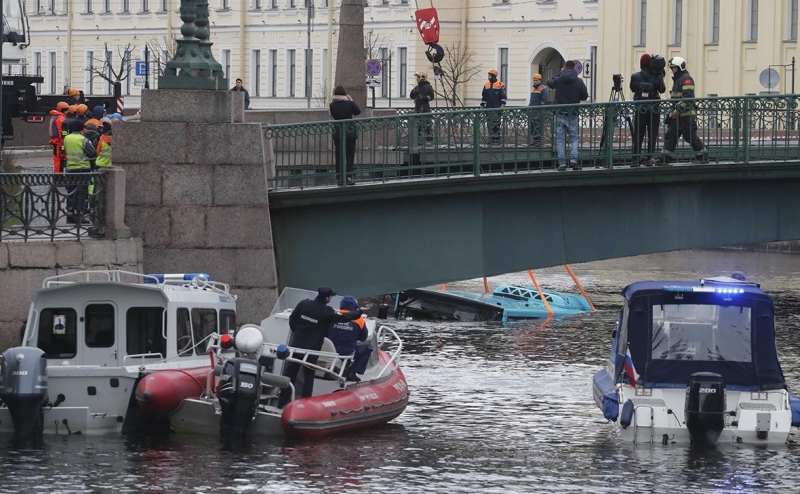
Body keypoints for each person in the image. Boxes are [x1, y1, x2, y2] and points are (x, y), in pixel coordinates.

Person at [277, 286, 364, 408]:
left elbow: (292, 320)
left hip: (296, 347)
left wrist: (298, 334)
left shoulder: (303, 304)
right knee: (308, 377)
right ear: (327, 297)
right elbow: (345, 318)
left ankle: (281, 402)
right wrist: (359, 312)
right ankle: (305, 405)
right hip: (311, 350)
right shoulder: (326, 312)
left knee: (290, 374)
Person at [653, 56, 708, 165]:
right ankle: (664, 159)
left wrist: (677, 109)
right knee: (671, 136)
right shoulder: (679, 80)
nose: (673, 70)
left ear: (680, 67)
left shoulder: (686, 79)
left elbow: (688, 98)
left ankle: (703, 157)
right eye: (672, 68)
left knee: (690, 136)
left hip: (686, 115)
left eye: (674, 68)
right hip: (678, 115)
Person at [547, 60, 589, 171]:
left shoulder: (559, 79)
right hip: (573, 114)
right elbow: (584, 96)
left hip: (560, 113)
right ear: (575, 68)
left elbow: (549, 83)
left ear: (564, 67)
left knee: (560, 139)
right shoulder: (579, 81)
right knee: (574, 138)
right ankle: (574, 160)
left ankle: (562, 164)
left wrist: (559, 73)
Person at [629, 54, 666, 165]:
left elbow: (632, 88)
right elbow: (662, 89)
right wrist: (660, 75)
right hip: (654, 110)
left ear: (641, 64)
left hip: (640, 109)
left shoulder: (635, 76)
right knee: (652, 134)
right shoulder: (656, 76)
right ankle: (649, 157)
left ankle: (635, 158)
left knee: (639, 134)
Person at [327, 296, 372, 382]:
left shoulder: (333, 316)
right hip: (346, 352)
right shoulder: (359, 319)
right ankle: (352, 372)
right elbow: (363, 338)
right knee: (367, 348)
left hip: (329, 350)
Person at [62, 120, 97, 224]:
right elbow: (92, 152)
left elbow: (64, 151)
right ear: (82, 129)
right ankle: (80, 214)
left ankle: (70, 214)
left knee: (71, 191)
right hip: (82, 168)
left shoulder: (67, 138)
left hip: (70, 168)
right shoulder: (83, 139)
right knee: (82, 192)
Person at [329, 85, 361, 185]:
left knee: (339, 155)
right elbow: (357, 111)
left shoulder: (332, 105)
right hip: (349, 132)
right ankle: (348, 177)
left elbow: (334, 116)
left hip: (338, 132)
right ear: (345, 94)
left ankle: (339, 178)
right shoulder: (349, 104)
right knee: (349, 155)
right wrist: (351, 101)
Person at [480, 69, 507, 144]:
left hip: (497, 108)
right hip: (489, 108)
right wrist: (482, 105)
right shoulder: (486, 85)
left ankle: (497, 139)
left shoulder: (500, 84)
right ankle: (491, 139)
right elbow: (484, 97)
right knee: (489, 124)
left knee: (497, 124)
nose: (488, 77)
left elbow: (503, 96)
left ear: (494, 76)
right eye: (488, 75)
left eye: (490, 75)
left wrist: (502, 105)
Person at [410, 71, 435, 143]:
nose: (417, 79)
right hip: (417, 107)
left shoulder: (428, 87)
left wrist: (423, 98)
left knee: (427, 124)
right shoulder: (417, 87)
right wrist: (415, 92)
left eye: (418, 77)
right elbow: (411, 96)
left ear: (422, 77)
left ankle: (428, 140)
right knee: (418, 125)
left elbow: (431, 97)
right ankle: (418, 140)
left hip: (425, 107)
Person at [528, 73, 549, 146]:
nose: (535, 81)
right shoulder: (533, 88)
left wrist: (540, 108)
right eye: (534, 80)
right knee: (533, 126)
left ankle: (539, 142)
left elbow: (545, 100)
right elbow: (532, 99)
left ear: (540, 80)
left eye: (536, 80)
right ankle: (535, 140)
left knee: (538, 126)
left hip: (539, 111)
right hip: (533, 110)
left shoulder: (543, 88)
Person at [48, 102, 69, 173]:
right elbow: (61, 132)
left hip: (56, 142)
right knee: (59, 160)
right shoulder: (60, 119)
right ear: (64, 110)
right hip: (59, 142)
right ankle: (58, 177)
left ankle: (57, 176)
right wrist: (64, 144)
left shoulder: (55, 116)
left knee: (57, 159)